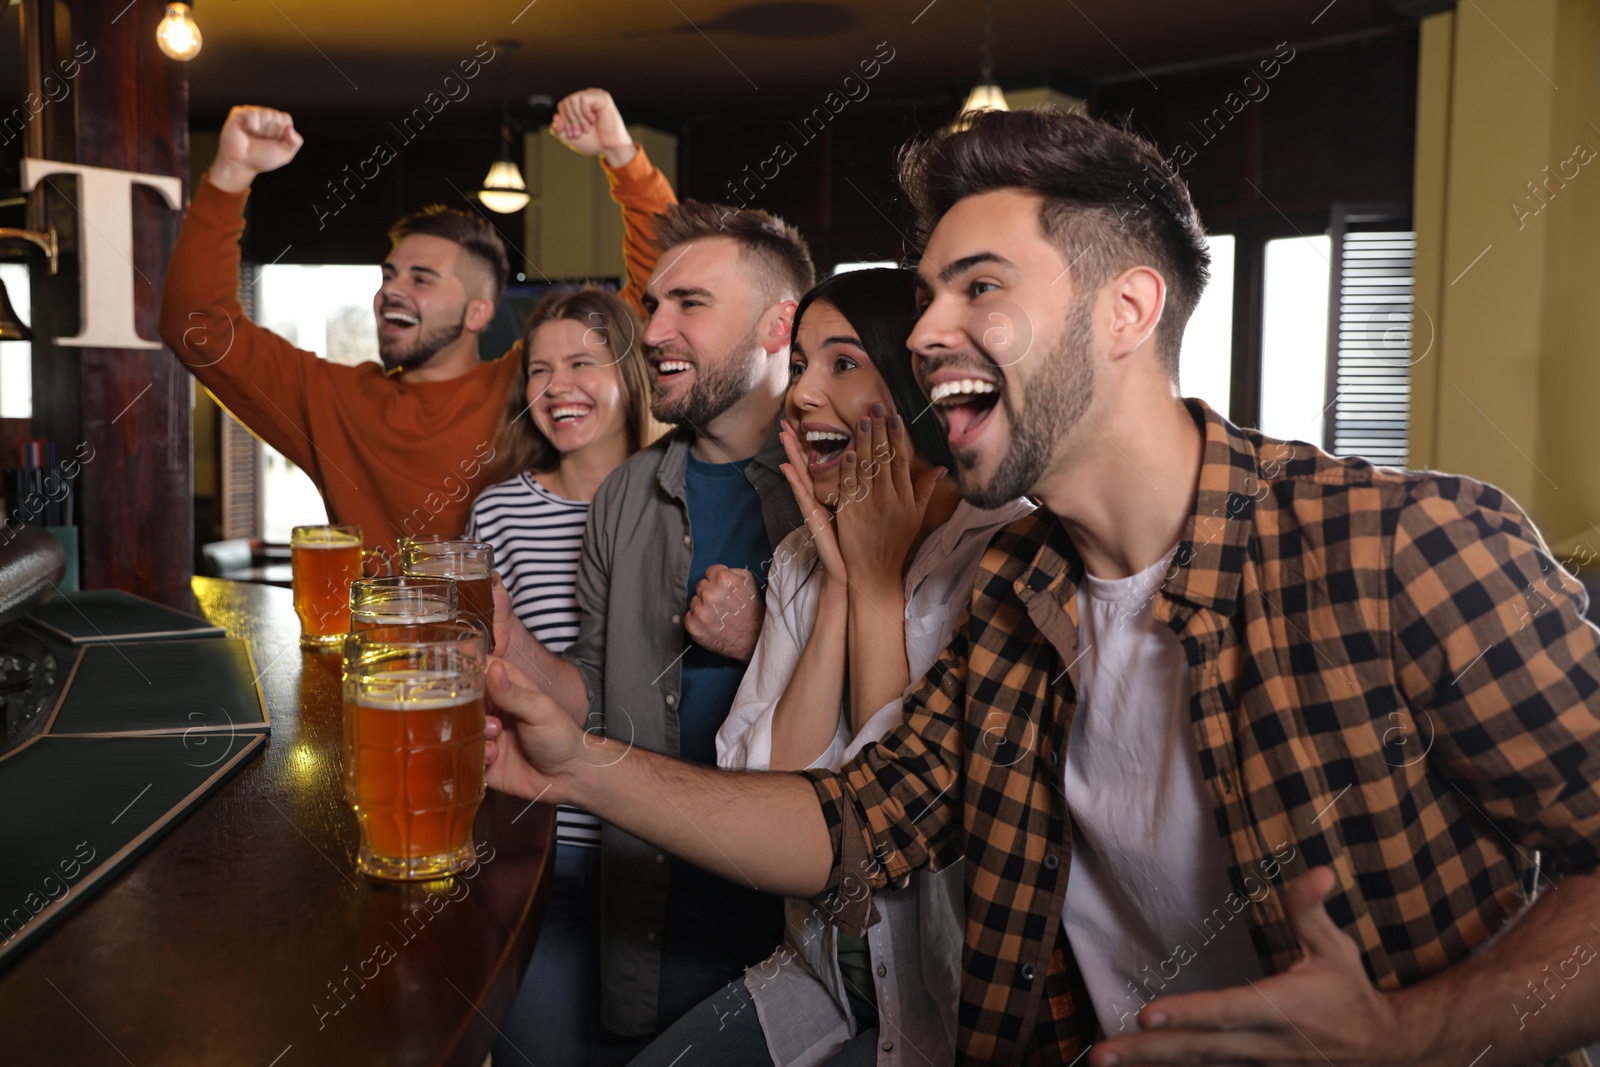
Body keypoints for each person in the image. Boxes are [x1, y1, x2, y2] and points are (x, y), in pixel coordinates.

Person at [481, 106, 1600, 1067]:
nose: (922, 333)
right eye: (925, 295)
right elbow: (861, 822)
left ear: (1128, 310)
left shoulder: (1402, 546)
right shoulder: (1018, 588)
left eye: (978, 286)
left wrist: (1415, 1032)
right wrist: (579, 764)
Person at [629, 267, 1033, 1067]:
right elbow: (762, 778)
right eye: (803, 364)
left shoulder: (1004, 552)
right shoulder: (801, 557)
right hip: (817, 977)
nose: (803, 393)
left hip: (946, 1006)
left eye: (843, 363)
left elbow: (898, 820)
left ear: (916, 382)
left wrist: (877, 580)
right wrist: (845, 583)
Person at [490, 198, 817, 1053]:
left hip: (794, 942)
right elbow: (593, 693)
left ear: (779, 324)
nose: (657, 329)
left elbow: (905, 742)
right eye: (653, 304)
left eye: (691, 305)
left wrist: (772, 641)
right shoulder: (626, 494)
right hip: (638, 916)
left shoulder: (840, 488)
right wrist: (507, 642)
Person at [157, 89, 674, 556]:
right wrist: (231, 172)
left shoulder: (535, 384)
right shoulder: (330, 401)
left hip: (516, 658)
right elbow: (195, 325)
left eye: (423, 279)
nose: (392, 291)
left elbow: (661, 286)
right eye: (389, 274)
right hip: (379, 657)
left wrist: (621, 156)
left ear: (479, 313)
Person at [465, 286, 657, 1065]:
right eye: (539, 371)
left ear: (633, 373)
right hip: (545, 845)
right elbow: (487, 666)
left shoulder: (682, 496)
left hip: (659, 846)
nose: (556, 387)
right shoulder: (500, 511)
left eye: (582, 361)